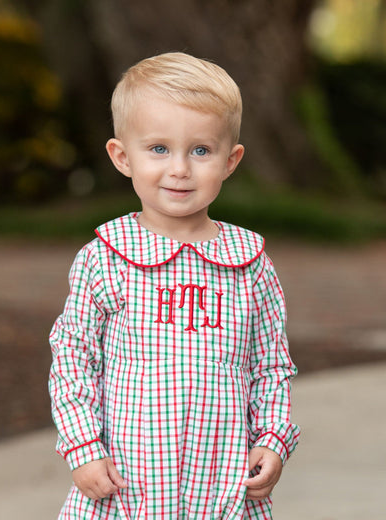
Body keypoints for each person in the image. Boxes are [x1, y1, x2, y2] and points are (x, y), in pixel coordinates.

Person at [49, 52, 300, 519]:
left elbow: (270, 365)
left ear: (231, 160)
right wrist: (82, 446)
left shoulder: (249, 264)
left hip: (221, 486)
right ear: (122, 157)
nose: (180, 169)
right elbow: (73, 359)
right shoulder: (106, 258)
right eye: (159, 149)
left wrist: (272, 438)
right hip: (126, 485)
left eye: (201, 150)